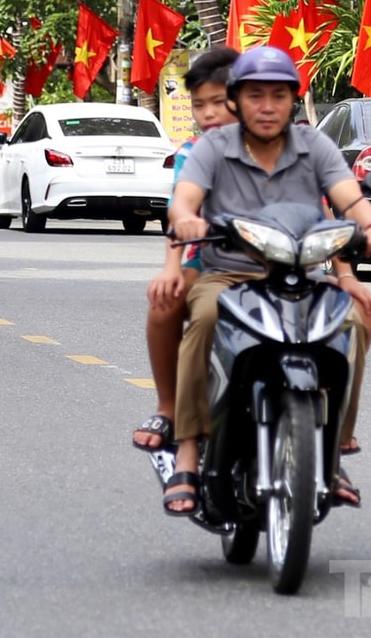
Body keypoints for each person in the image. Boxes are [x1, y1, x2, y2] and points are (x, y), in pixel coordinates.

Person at [158, 46, 371, 517]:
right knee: (203, 318)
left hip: (301, 273)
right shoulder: (212, 148)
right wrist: (186, 219)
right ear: (237, 101)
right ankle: (188, 446)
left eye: (278, 96)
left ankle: (335, 446)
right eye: (255, 96)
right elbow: (183, 200)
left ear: (293, 100)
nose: (267, 106)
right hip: (227, 272)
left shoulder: (315, 146)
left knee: (354, 320)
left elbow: (348, 198)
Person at [132, 46, 238, 454]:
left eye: (219, 102)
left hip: (276, 261)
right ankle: (169, 407)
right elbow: (180, 210)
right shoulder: (192, 153)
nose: (208, 113)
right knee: (163, 304)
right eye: (199, 105)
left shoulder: (279, 146)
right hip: (206, 259)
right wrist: (172, 266)